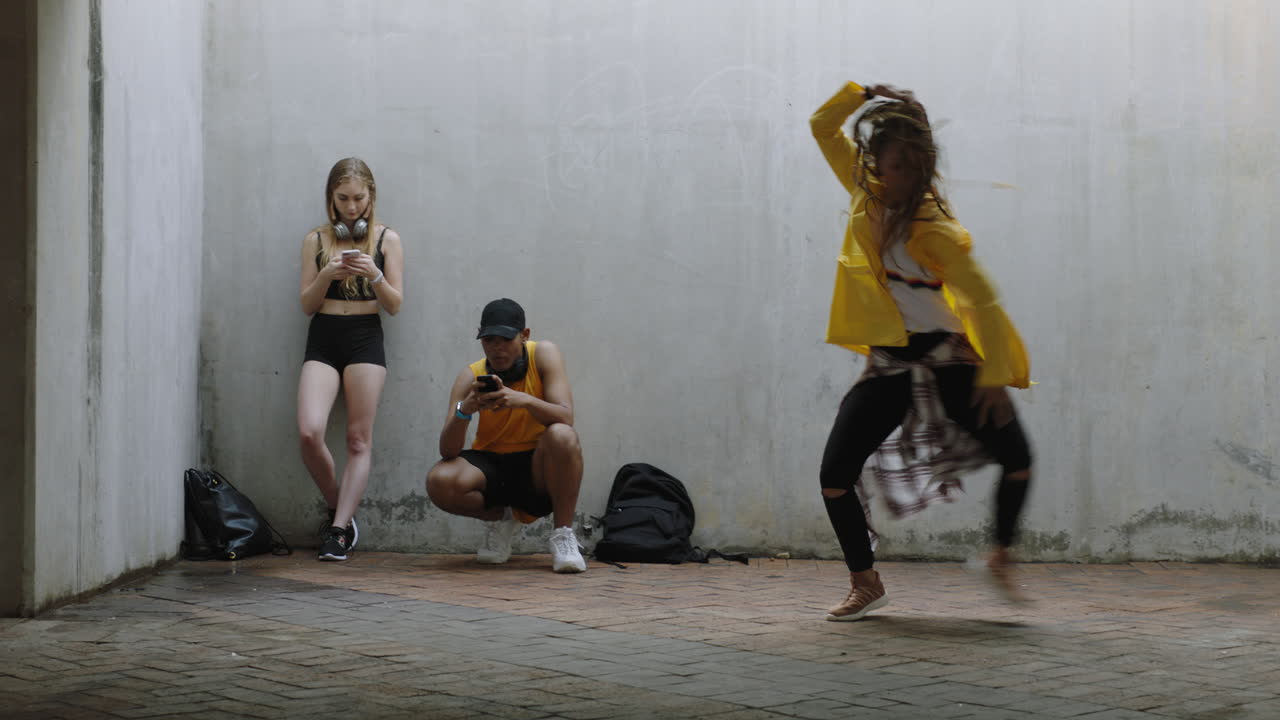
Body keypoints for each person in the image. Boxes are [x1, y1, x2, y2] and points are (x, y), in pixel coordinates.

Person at [810, 82, 1034, 620]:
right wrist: (861, 92)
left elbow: (985, 299)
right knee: (834, 476)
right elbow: (822, 126)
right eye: (892, 166)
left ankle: (1002, 554)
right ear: (875, 164)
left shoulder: (935, 230)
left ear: (926, 168)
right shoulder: (864, 193)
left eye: (913, 168)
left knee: (1020, 461)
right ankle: (865, 582)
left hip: (950, 363)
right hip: (890, 365)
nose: (900, 179)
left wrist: (995, 376)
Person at [425, 298, 587, 573]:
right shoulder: (471, 376)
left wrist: (523, 400)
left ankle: (563, 535)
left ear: (524, 336)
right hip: (492, 467)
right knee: (440, 480)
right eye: (489, 340)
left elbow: (566, 416)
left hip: (538, 466)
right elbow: (448, 451)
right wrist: (466, 409)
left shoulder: (543, 354)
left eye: (505, 339)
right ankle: (502, 520)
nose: (496, 348)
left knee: (563, 435)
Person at [297, 157, 404, 561]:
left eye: (359, 198)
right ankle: (336, 502)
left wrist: (374, 275)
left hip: (364, 339)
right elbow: (307, 305)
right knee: (309, 432)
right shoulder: (316, 240)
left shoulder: (387, 239)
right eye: (343, 199)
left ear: (371, 196)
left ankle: (339, 530)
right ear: (331, 199)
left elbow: (394, 305)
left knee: (359, 438)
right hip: (324, 336)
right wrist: (327, 276)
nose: (352, 207)